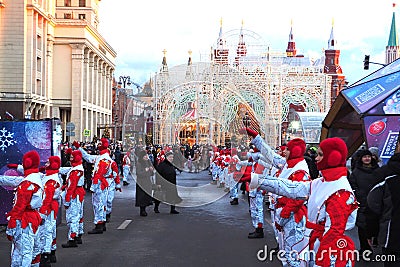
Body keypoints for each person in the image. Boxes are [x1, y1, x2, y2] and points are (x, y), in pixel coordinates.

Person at [245, 128, 358, 267]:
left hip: (327, 249)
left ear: (333, 157)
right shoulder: (323, 181)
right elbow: (292, 188)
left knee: (291, 256)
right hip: (313, 240)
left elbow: (333, 233)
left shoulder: (340, 191)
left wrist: (321, 261)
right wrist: (256, 179)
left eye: (320, 155)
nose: (316, 158)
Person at [3, 151, 44, 267]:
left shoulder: (26, 184)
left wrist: (10, 227)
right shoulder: (37, 177)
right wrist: (17, 167)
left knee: (22, 252)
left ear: (27, 162)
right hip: (34, 218)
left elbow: (19, 207)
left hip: (24, 221)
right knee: (34, 250)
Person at [73, 138, 120, 234]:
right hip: (104, 184)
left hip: (101, 185)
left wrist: (93, 187)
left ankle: (99, 225)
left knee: (98, 204)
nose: (97, 146)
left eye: (99, 144)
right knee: (101, 204)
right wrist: (79, 148)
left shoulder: (103, 160)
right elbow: (88, 157)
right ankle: (102, 224)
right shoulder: (101, 157)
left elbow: (98, 175)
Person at [367, 152, 400, 267]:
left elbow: (373, 206)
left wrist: (371, 233)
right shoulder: (384, 176)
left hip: (391, 237)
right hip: (391, 235)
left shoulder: (383, 174)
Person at [348, 149, 379, 254]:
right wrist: (360, 196)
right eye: (365, 157)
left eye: (369, 156)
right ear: (361, 159)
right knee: (362, 227)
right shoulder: (356, 172)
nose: (367, 159)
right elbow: (353, 186)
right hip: (362, 204)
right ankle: (365, 248)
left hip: (376, 203)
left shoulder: (377, 170)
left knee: (375, 225)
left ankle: (375, 242)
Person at [38, 156, 63, 265]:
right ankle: (51, 252)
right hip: (51, 206)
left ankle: (45, 256)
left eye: (48, 162)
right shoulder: (50, 175)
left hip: (49, 207)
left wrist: (42, 213)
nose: (46, 163)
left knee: (46, 230)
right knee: (51, 230)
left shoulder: (51, 179)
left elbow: (48, 197)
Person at [60, 149, 85, 248]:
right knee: (78, 215)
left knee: (72, 216)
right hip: (79, 194)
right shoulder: (77, 168)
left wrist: (67, 200)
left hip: (74, 194)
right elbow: (65, 170)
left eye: (71, 157)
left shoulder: (76, 170)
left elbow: (71, 186)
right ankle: (78, 234)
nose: (70, 159)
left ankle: (72, 238)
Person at [135, 150, 154, 216]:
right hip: (141, 182)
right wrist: (145, 171)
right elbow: (138, 173)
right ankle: (142, 210)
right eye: (145, 156)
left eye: (147, 155)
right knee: (142, 196)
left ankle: (145, 207)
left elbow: (151, 173)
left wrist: (151, 170)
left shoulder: (148, 162)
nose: (146, 157)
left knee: (146, 196)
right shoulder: (139, 163)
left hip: (147, 181)